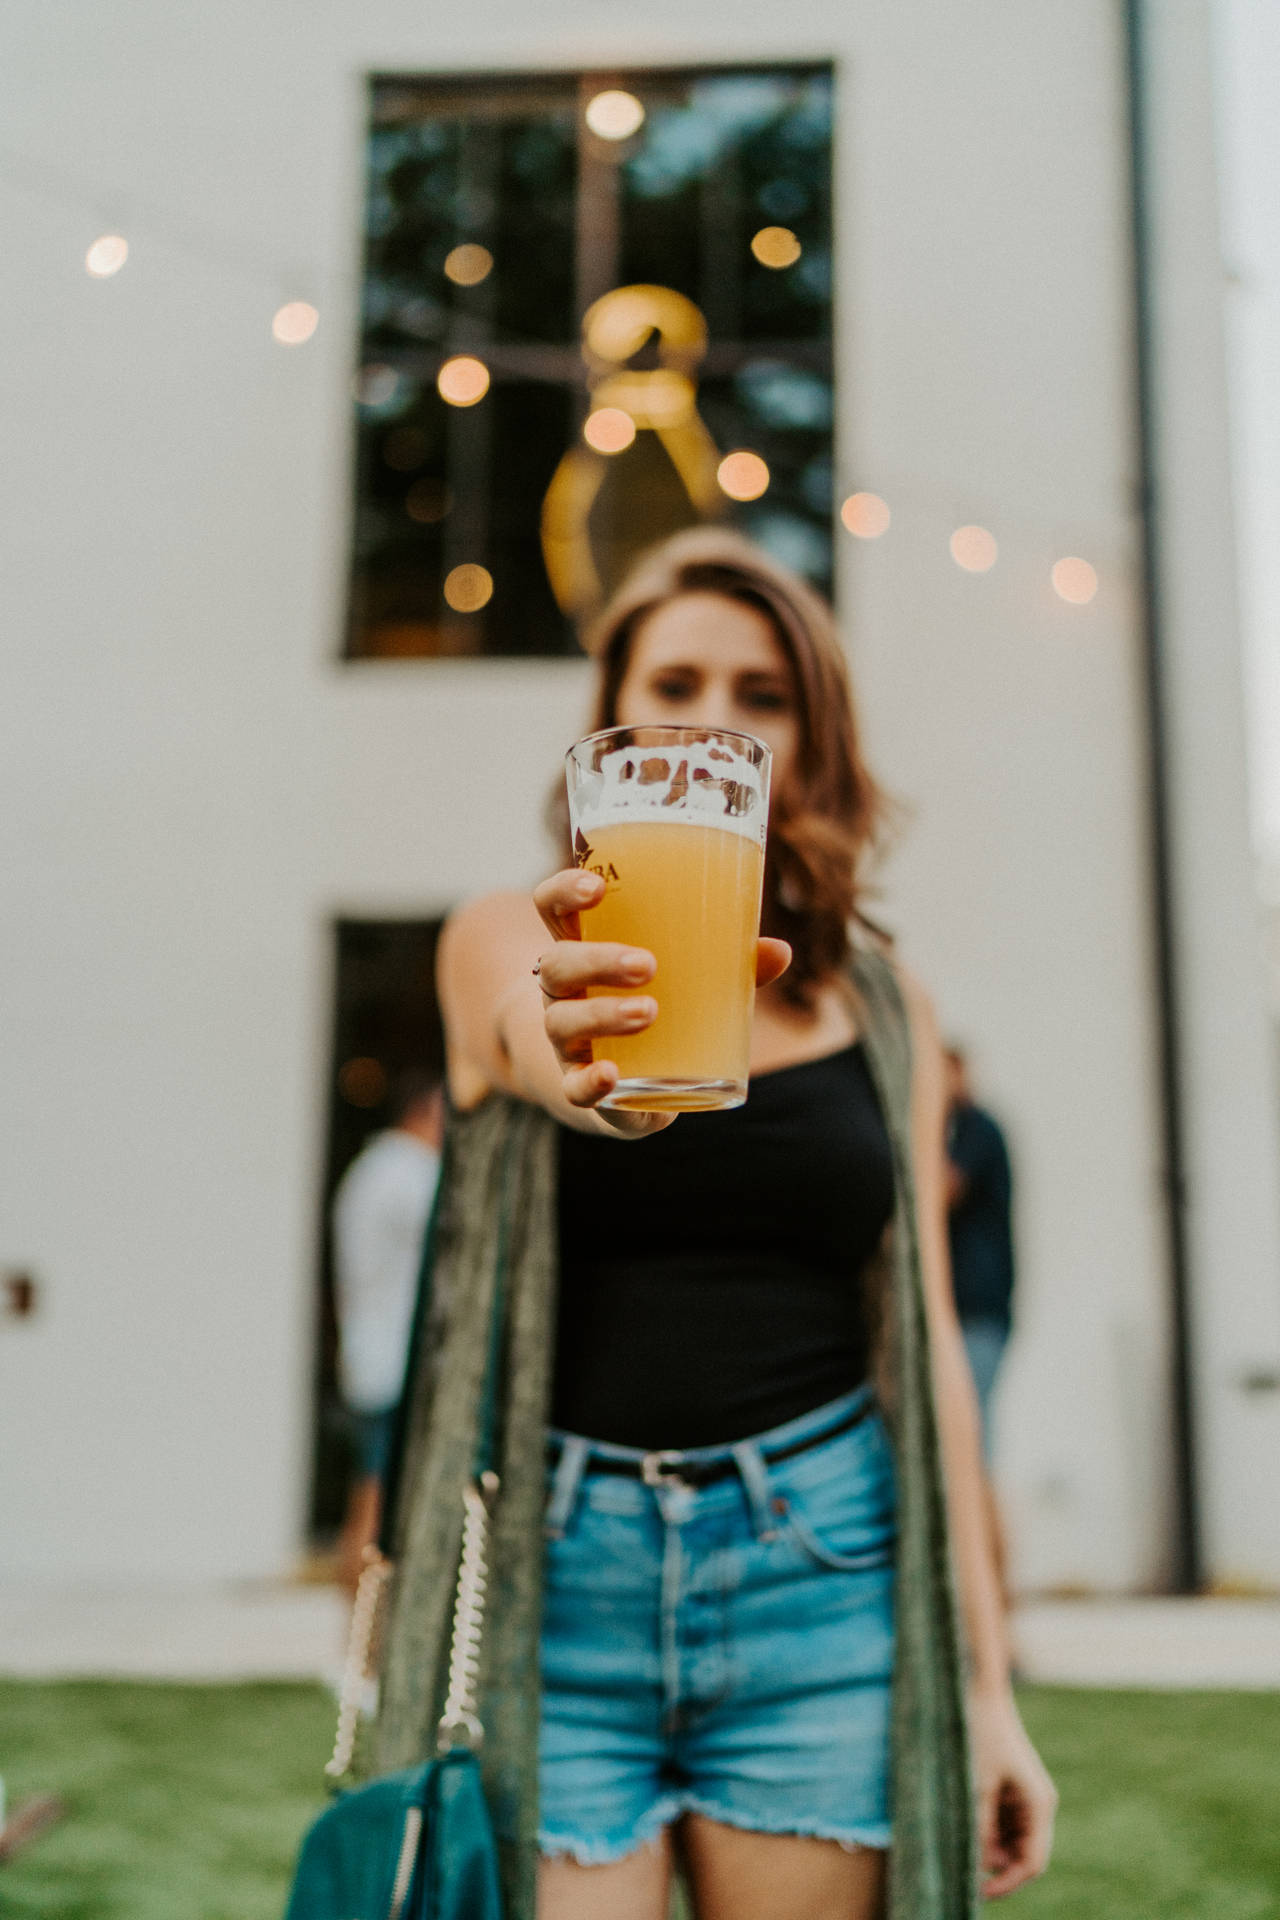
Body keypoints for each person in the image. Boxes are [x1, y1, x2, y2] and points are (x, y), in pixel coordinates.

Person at [373, 528, 1056, 1920]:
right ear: (609, 726)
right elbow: (534, 1045)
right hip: (559, 1589)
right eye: (674, 682)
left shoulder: (880, 1008)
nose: (713, 721)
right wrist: (604, 1078)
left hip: (823, 1572)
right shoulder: (509, 938)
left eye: (763, 694)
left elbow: (925, 1348)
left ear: (813, 738)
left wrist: (987, 1693)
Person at [331, 1069, 443, 1592]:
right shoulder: (409, 1173)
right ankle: (360, 1643)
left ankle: (356, 1641)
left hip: (371, 1357)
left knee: (369, 1496)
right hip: (396, 1362)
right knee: (376, 1505)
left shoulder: (370, 1169)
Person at [944, 1045, 1016, 1462]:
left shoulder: (976, 1130)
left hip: (977, 1312)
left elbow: (943, 1189)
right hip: (967, 1313)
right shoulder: (960, 1132)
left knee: (972, 1446)